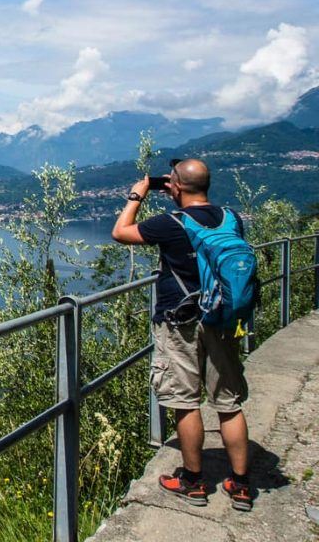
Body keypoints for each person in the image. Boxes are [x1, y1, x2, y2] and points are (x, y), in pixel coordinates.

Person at [111, 158, 253, 512]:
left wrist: (137, 194)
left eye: (170, 184)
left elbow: (120, 232)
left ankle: (192, 481)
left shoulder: (170, 223)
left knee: (185, 401)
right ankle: (241, 484)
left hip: (180, 323)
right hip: (223, 318)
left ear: (174, 186)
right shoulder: (232, 218)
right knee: (228, 403)